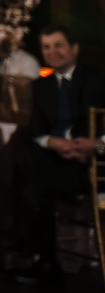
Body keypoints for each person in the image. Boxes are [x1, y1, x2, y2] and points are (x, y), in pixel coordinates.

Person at [17, 25, 105, 279]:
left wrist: (95, 145)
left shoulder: (97, 80)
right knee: (29, 160)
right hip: (57, 161)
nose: (52, 52)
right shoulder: (41, 86)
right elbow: (35, 130)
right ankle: (42, 256)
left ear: (74, 48)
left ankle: (38, 255)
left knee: (32, 178)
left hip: (91, 165)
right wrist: (54, 143)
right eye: (46, 47)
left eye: (58, 45)